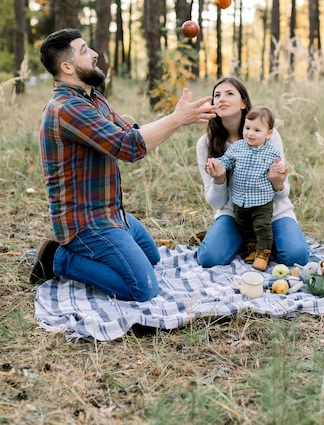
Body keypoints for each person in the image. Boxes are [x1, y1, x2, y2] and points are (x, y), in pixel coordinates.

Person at [30, 28, 216, 301]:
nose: (94, 54)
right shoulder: (67, 108)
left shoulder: (92, 98)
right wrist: (178, 119)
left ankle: (101, 252)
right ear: (67, 67)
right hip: (85, 223)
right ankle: (59, 259)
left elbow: (130, 134)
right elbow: (128, 147)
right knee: (143, 288)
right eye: (85, 51)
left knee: (152, 258)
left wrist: (179, 117)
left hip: (110, 214)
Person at [196, 76, 309, 270]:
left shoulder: (267, 136)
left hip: (271, 210)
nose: (222, 98)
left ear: (243, 102)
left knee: (296, 256)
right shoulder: (205, 144)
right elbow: (216, 203)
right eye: (217, 95)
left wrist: (278, 182)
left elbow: (283, 194)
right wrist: (219, 180)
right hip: (235, 213)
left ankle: (262, 241)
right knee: (208, 258)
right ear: (213, 104)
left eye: (229, 93)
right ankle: (246, 240)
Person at [206, 106, 286, 271]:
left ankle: (263, 253)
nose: (250, 133)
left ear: (268, 133)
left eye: (257, 130)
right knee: (244, 226)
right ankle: (251, 247)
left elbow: (278, 168)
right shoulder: (237, 147)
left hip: (262, 201)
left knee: (262, 227)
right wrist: (217, 164)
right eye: (247, 128)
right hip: (239, 200)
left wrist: (279, 170)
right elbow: (227, 160)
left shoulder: (272, 151)